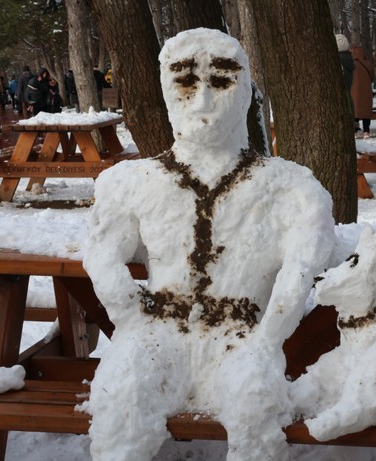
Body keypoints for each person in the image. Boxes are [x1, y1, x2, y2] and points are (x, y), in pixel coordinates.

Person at [83, 28, 335, 461]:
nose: (201, 103)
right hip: (156, 333)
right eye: (185, 82)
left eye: (221, 82)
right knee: (122, 396)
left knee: (255, 402)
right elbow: (102, 252)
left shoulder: (288, 187)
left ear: (244, 93)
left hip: (241, 338)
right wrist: (130, 316)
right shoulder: (132, 183)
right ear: (166, 89)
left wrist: (268, 338)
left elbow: (302, 266)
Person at [350, 45, 374, 138]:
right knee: (366, 112)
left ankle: (355, 131)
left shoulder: (352, 64)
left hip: (353, 91)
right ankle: (366, 131)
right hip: (366, 91)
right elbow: (372, 77)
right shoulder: (368, 63)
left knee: (355, 111)